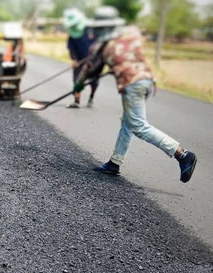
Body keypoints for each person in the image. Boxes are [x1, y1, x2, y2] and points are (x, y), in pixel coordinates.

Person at [73, 25, 197, 183]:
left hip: (132, 85)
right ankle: (115, 163)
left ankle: (182, 154)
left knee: (138, 126)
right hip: (146, 81)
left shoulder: (103, 45)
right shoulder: (128, 36)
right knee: (128, 122)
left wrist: (79, 84)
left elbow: (92, 69)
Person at [63, 9, 97, 108]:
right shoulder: (72, 33)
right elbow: (71, 48)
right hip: (79, 59)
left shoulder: (91, 30)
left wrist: (94, 57)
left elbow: (99, 44)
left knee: (94, 80)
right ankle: (76, 101)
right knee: (76, 79)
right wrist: (74, 59)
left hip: (93, 59)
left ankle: (91, 97)